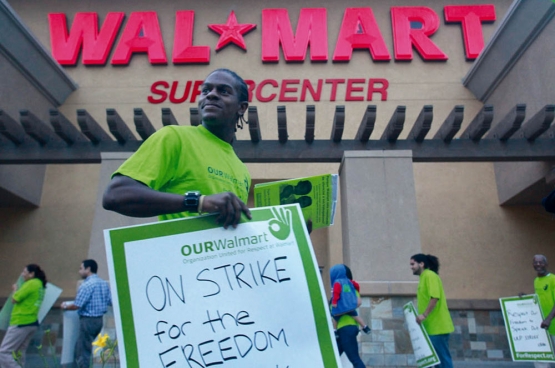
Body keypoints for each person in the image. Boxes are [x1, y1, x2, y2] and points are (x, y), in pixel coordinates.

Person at [102, 68, 252, 228]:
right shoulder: (174, 137)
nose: (211, 95)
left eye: (223, 91)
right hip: (178, 252)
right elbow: (115, 194)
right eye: (206, 90)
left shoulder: (242, 171)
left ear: (241, 107)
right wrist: (200, 202)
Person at [61, 259, 111, 368]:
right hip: (99, 320)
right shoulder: (103, 283)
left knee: (83, 351)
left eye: (81, 268)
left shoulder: (87, 285)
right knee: (82, 347)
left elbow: (77, 305)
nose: (79, 271)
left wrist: (65, 306)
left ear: (88, 269)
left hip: (88, 320)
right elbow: (110, 301)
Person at [410, 254, 454, 368]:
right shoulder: (424, 277)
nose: (411, 267)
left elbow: (435, 297)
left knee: (443, 361)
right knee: (435, 362)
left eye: (412, 264)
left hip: (437, 328)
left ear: (421, 264)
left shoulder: (430, 276)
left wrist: (424, 315)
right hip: (430, 327)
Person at [0, 264, 47, 368]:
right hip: (32, 322)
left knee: (4, 352)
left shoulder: (30, 284)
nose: (22, 274)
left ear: (32, 274)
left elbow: (14, 299)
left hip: (21, 321)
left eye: (24, 272)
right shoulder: (40, 285)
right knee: (19, 352)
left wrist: (15, 289)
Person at [330, 264, 366, 368]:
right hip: (342, 329)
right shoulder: (338, 290)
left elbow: (358, 302)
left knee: (354, 358)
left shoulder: (351, 289)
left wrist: (341, 309)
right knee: (332, 357)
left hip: (346, 328)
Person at [329, 264, 370, 334]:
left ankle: (334, 331)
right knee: (356, 316)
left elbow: (336, 292)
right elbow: (356, 285)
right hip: (349, 307)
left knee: (335, 317)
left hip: (341, 310)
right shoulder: (349, 282)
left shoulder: (337, 282)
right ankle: (365, 327)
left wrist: (335, 302)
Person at [530, 255, 555, 368]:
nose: (538, 264)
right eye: (536, 262)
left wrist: (549, 319)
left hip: (553, 326)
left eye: (541, 262)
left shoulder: (553, 279)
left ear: (546, 264)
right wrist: (525, 298)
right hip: (541, 327)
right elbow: (538, 299)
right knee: (541, 359)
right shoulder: (536, 281)